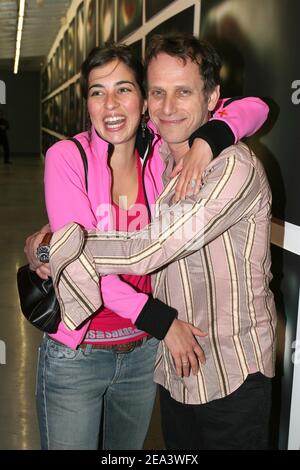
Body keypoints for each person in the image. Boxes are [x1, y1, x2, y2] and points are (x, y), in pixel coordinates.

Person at [25, 40, 269, 450]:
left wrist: (211, 138)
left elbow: (256, 107)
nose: (111, 104)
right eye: (97, 91)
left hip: (144, 354)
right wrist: (159, 319)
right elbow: (77, 262)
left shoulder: (159, 154)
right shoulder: (69, 157)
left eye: (124, 88)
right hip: (82, 352)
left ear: (140, 99)